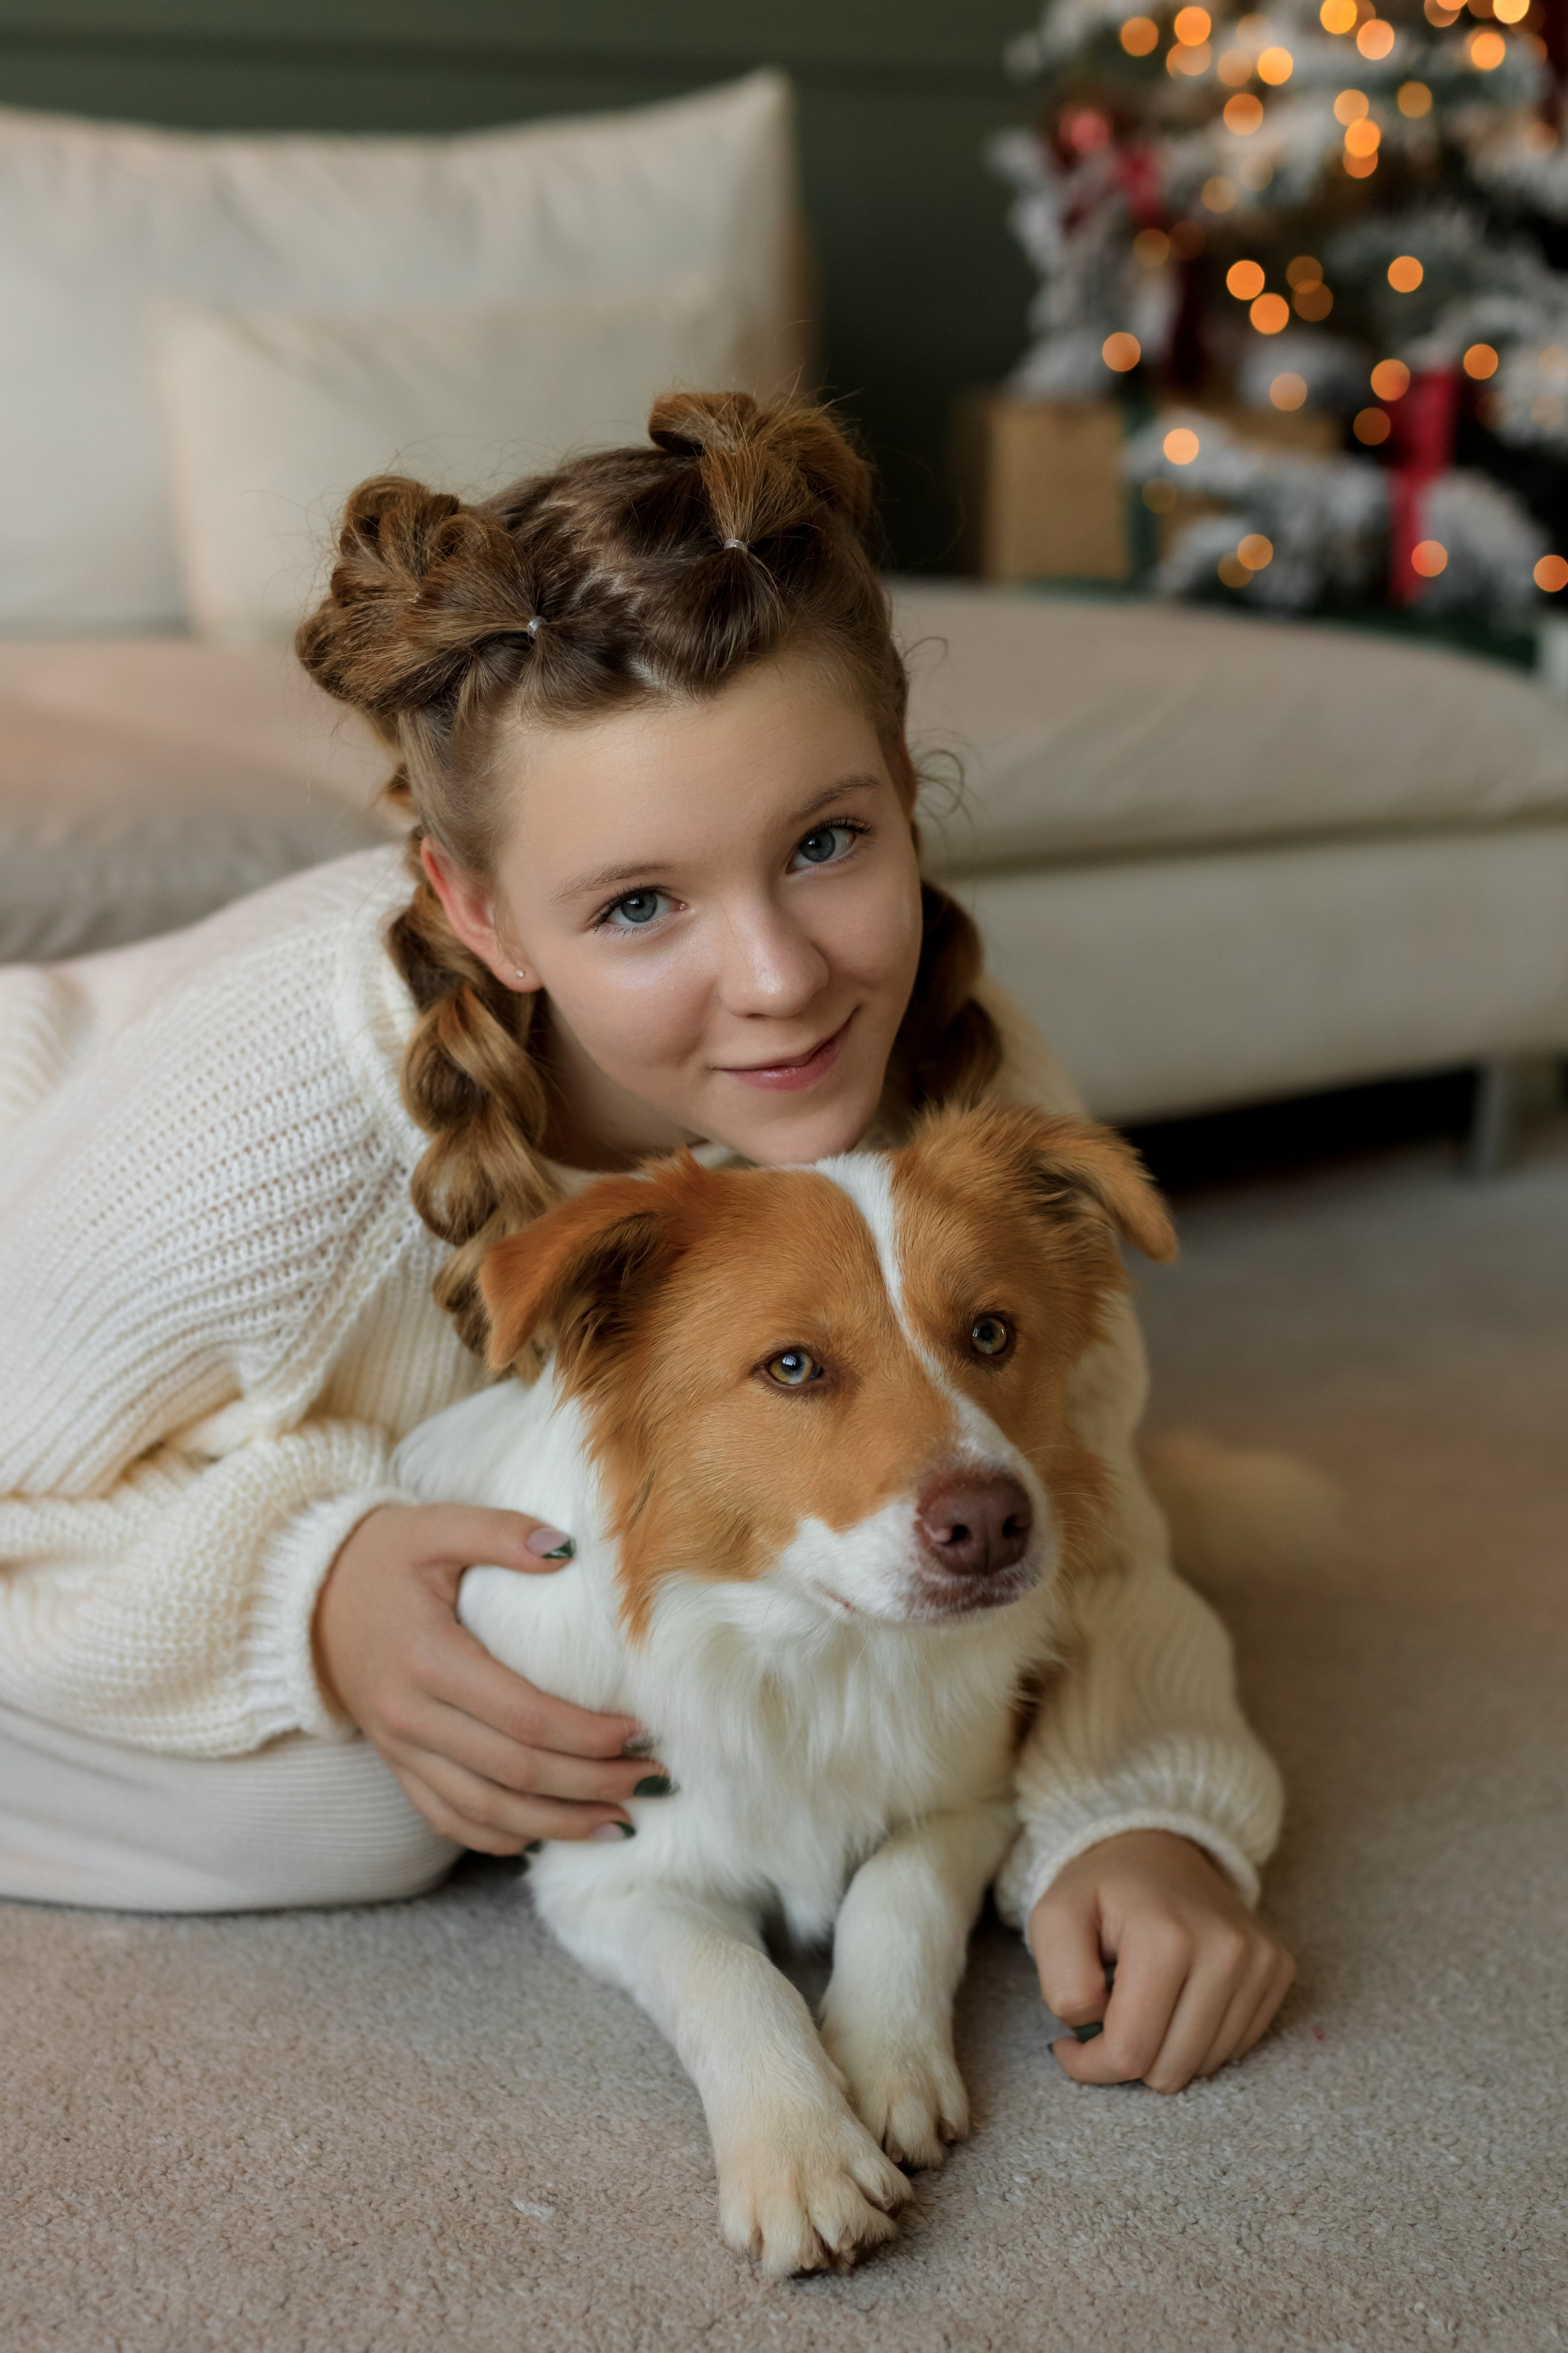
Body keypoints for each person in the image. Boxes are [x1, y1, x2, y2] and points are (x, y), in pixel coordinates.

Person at [0, 391, 1291, 2094]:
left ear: (910, 798)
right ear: (477, 912)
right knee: (359, 1807)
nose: (775, 979)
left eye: (827, 843)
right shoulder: (268, 1131)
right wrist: (306, 1599)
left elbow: (1074, 1498)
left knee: (566, 1715)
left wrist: (1139, 1814)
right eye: (637, 903)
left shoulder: (965, 1108)